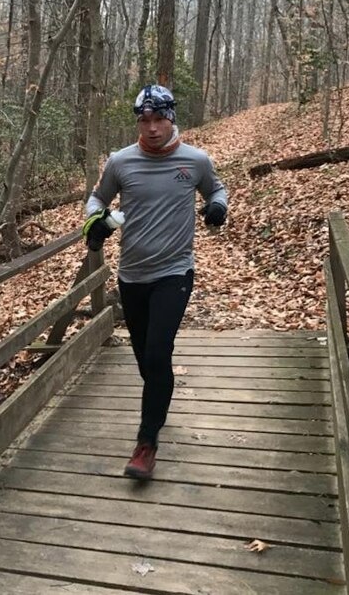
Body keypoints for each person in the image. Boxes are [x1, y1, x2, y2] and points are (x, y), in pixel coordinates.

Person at [82, 84, 228, 480]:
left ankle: (146, 443)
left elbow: (216, 187)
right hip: (132, 275)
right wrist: (95, 223)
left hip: (175, 273)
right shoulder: (120, 162)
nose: (150, 128)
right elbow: (97, 199)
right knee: (148, 360)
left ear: (171, 118)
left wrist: (217, 205)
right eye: (144, 120)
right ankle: (159, 396)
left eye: (158, 119)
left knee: (157, 353)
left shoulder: (194, 160)